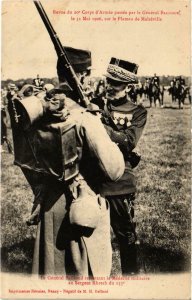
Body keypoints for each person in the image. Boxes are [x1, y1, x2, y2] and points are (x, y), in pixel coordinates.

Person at [8, 51, 125, 278]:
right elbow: (114, 170)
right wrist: (100, 127)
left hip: (49, 205)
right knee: (84, 278)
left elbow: (25, 161)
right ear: (82, 76)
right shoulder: (84, 117)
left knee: (52, 277)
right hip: (82, 207)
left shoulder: (37, 114)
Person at [96, 57, 147, 275]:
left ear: (127, 87)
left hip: (119, 182)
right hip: (93, 179)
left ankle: (130, 279)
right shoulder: (96, 104)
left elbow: (128, 142)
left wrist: (99, 124)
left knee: (125, 235)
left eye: (115, 83)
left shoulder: (137, 111)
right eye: (108, 81)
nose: (109, 86)